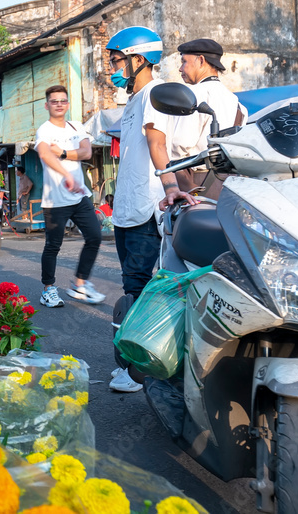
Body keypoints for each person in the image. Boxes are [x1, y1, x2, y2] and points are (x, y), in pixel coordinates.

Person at [106, 26, 196, 393]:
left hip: (145, 207)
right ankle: (132, 363)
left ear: (138, 59)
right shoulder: (133, 99)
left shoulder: (154, 94)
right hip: (125, 207)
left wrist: (171, 187)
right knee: (131, 286)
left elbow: (158, 145)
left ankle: (140, 372)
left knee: (138, 287)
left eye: (117, 60)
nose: (113, 67)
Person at [34, 85, 105, 308]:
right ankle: (48, 290)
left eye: (63, 101)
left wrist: (64, 153)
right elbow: (45, 154)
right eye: (54, 101)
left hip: (79, 197)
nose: (59, 104)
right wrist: (67, 174)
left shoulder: (76, 126)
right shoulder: (44, 130)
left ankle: (79, 283)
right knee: (53, 246)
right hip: (55, 200)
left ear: (67, 104)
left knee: (94, 237)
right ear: (47, 105)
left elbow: (87, 152)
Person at [172, 39, 248, 193]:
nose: (180, 69)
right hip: (230, 186)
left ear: (201, 61)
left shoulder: (193, 95)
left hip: (196, 183)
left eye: (184, 62)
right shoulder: (238, 105)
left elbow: (177, 146)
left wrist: (187, 188)